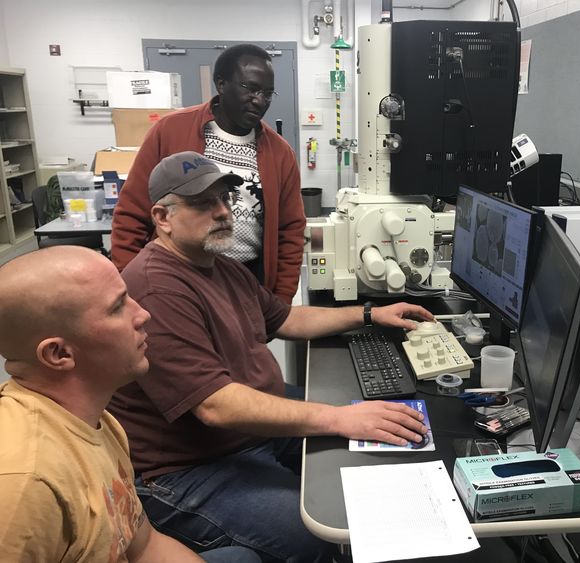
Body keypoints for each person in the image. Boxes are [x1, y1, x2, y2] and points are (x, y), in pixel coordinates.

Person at [108, 152, 434, 562]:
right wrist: (337, 418)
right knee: (322, 533)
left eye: (225, 198)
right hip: (192, 467)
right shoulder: (156, 287)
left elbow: (286, 319)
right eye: (204, 203)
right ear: (162, 216)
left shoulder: (218, 265)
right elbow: (216, 406)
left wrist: (369, 314)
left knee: (375, 450)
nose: (224, 211)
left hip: (252, 434)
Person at [0, 247, 259, 562]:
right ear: (59, 354)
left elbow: (145, 546)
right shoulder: (25, 485)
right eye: (118, 307)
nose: (143, 314)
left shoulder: (98, 421)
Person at [111, 43, 304, 304]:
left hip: (246, 280)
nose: (260, 100)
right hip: (176, 278)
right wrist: (129, 288)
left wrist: (280, 299)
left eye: (268, 93)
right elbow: (132, 213)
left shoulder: (279, 153)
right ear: (221, 84)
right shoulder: (171, 131)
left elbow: (290, 230)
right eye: (250, 88)